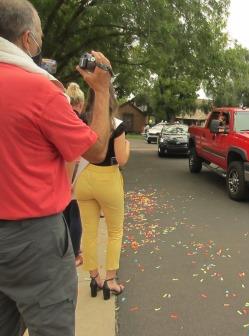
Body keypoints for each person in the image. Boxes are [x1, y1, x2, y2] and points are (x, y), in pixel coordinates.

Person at [0, 1, 112, 335]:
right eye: (40, 36)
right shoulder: (38, 89)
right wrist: (102, 90)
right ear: (27, 39)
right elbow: (95, 149)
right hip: (33, 240)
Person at [75, 84, 130, 300]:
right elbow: (122, 159)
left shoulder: (81, 120)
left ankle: (94, 277)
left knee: (89, 231)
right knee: (115, 232)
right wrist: (127, 147)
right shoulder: (116, 125)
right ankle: (110, 280)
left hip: (84, 178)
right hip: (108, 179)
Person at [64, 83, 87, 267]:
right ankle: (75, 253)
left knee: (63, 214)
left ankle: (64, 250)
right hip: (75, 170)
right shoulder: (78, 121)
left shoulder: (60, 117)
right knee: (75, 215)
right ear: (79, 103)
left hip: (60, 170)